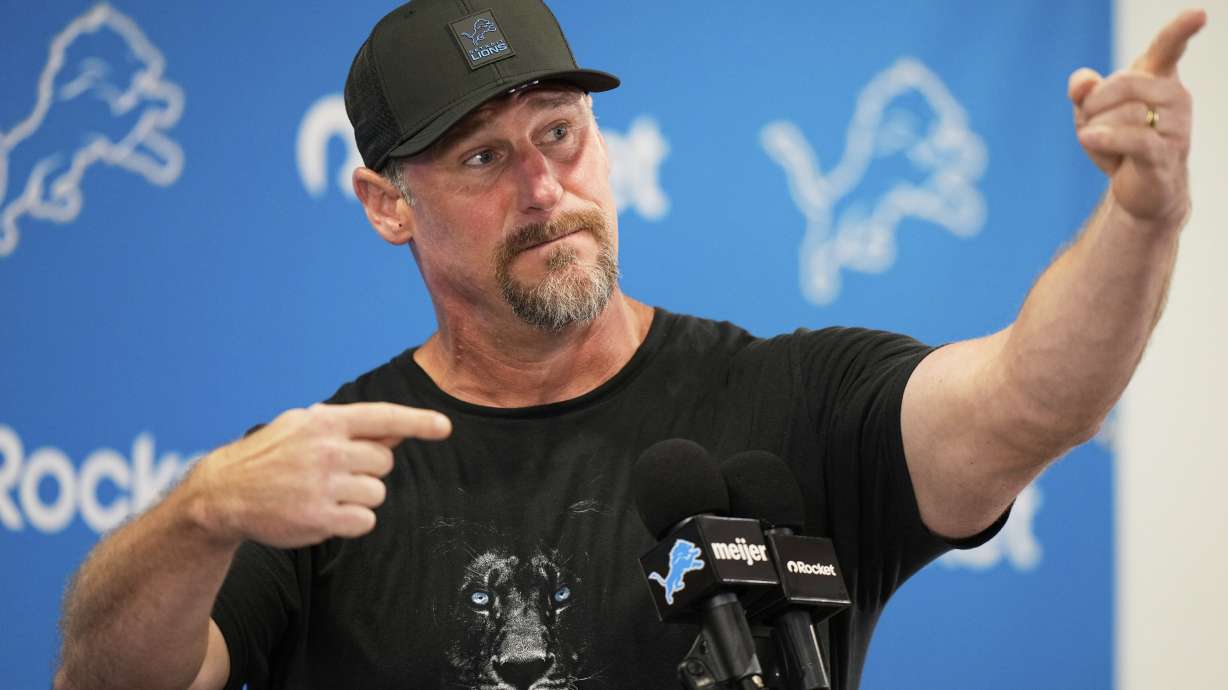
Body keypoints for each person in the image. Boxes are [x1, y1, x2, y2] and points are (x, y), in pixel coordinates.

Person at [52, 1, 1206, 689]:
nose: (547, 188)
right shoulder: (324, 476)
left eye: (560, 133)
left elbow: (1026, 400)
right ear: (385, 204)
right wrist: (199, 511)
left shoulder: (796, 400)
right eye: (483, 159)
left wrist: (1141, 220)